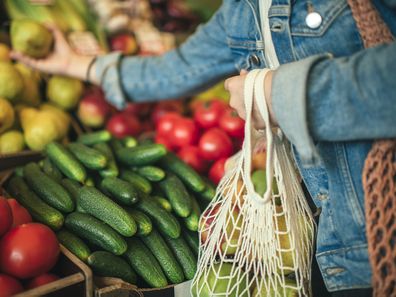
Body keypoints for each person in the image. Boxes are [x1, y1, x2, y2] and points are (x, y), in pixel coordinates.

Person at [12, 0, 396, 296]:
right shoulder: (243, 9)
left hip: (378, 235)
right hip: (323, 243)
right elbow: (177, 69)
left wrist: (280, 94)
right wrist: (78, 65)